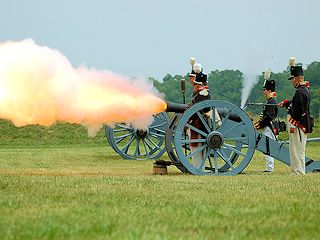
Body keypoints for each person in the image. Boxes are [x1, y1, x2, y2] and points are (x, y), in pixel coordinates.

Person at [278, 57, 312, 175]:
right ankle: (299, 170)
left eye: (292, 79)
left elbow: (298, 111)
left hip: (297, 125)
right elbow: (296, 105)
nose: (291, 81)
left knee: (296, 149)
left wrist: (293, 124)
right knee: (298, 149)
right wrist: (287, 103)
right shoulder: (303, 90)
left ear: (297, 79)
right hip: (300, 124)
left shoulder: (300, 92)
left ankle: (297, 171)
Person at [187, 58, 211, 170]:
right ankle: (197, 167)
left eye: (195, 84)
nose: (194, 86)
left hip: (201, 125)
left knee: (197, 149)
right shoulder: (199, 94)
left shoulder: (203, 94)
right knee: (196, 149)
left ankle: (198, 168)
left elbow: (201, 110)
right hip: (196, 124)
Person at [254, 70, 278, 172]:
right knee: (266, 147)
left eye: (265, 90)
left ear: (269, 91)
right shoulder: (269, 100)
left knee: (269, 147)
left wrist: (260, 124)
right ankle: (269, 168)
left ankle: (270, 168)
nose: (263, 91)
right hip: (266, 127)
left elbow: (269, 116)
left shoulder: (271, 101)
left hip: (268, 127)